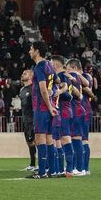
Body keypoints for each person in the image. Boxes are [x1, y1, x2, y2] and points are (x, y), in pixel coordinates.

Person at [28, 44, 61, 179]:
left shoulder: (39, 67)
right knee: (49, 139)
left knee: (39, 138)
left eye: (31, 49)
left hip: (42, 108)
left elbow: (42, 88)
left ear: (37, 51)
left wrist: (49, 106)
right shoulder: (49, 65)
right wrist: (52, 91)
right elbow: (58, 81)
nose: (29, 51)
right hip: (48, 107)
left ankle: (42, 172)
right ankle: (52, 171)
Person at [17, 69, 36, 173]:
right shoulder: (22, 90)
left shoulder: (33, 88)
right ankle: (33, 164)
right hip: (26, 120)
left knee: (37, 141)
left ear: (31, 76)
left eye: (25, 73)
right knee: (29, 142)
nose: (22, 74)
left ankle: (45, 165)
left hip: (34, 119)